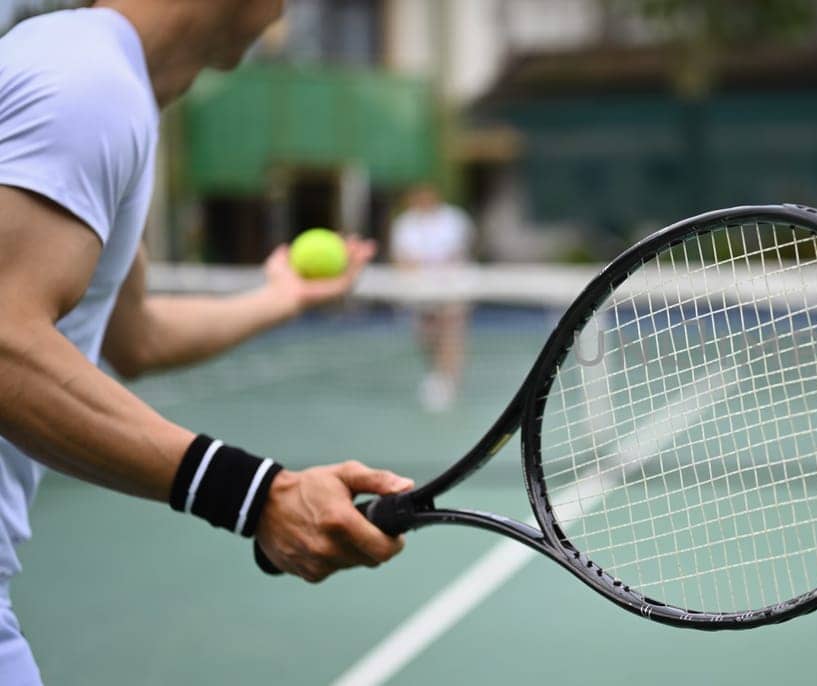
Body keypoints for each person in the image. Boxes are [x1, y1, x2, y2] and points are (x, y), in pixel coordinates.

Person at [0, 2, 412, 681]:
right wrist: (258, 496)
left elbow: (133, 337)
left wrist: (283, 298)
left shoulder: (99, 81)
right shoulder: (87, 87)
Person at [388, 183, 475, 412]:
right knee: (426, 336)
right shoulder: (404, 223)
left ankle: (449, 382)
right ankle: (438, 374)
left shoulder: (455, 219)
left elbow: (459, 253)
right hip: (420, 292)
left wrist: (443, 277)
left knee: (451, 333)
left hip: (452, 289)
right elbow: (401, 258)